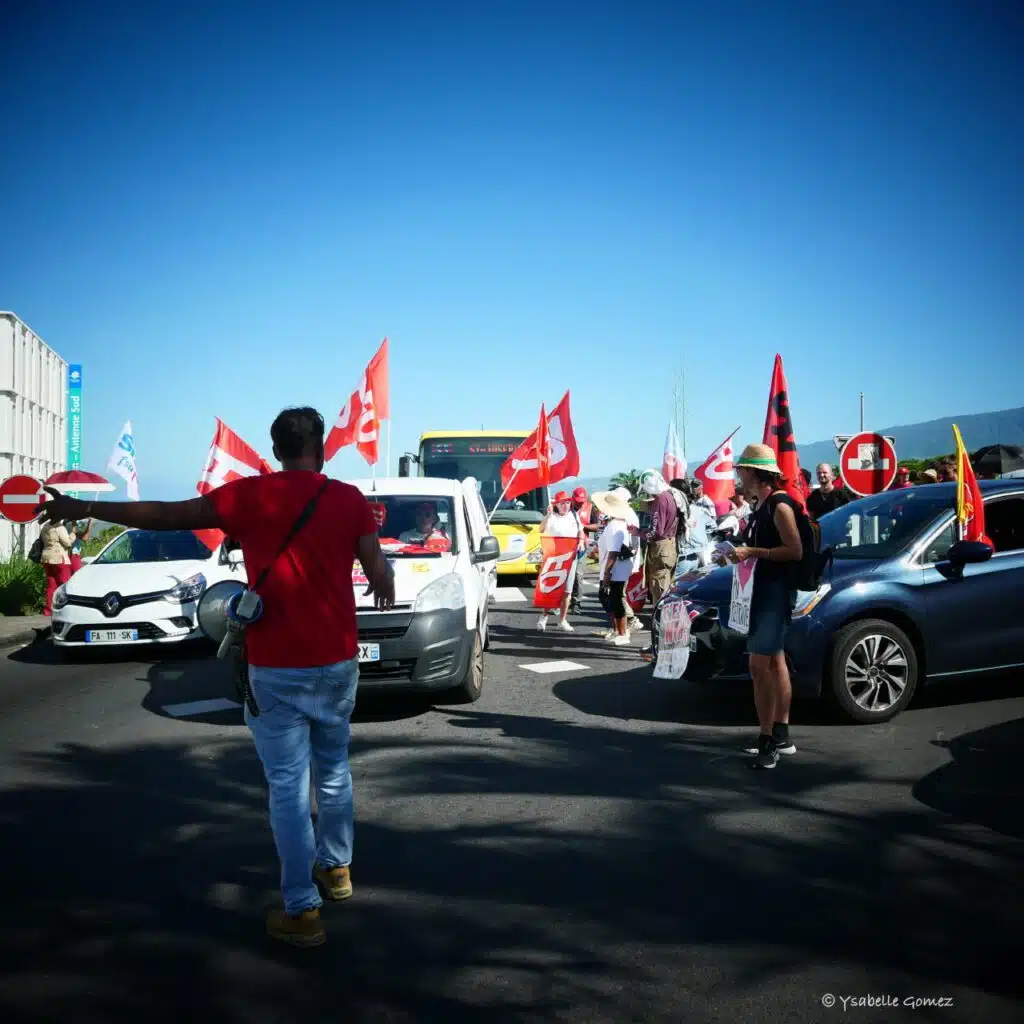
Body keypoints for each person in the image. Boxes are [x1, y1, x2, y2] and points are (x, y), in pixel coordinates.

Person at [35, 407, 395, 948]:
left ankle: (301, 910)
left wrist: (83, 505)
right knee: (335, 770)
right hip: (337, 660)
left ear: (276, 451)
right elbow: (376, 570)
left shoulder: (250, 496)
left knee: (289, 792)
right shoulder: (347, 499)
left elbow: (164, 515)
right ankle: (336, 870)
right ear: (321, 447)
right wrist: (381, 580)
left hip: (275, 667)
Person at [724, 444, 804, 770]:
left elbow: (794, 550)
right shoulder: (763, 505)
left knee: (759, 667)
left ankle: (767, 741)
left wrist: (753, 552)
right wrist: (739, 552)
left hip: (773, 594)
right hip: (766, 592)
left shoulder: (779, 505)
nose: (737, 474)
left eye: (741, 469)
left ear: (755, 472)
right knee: (774, 661)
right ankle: (781, 735)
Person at [592, 489, 637, 647]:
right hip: (615, 567)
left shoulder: (615, 526)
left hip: (615, 568)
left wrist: (606, 573)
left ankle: (623, 633)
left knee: (616, 600)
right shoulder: (617, 524)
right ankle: (618, 631)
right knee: (612, 599)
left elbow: (613, 552)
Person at [536, 491, 585, 633]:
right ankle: (543, 617)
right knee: (551, 588)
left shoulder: (574, 515)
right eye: (562, 503)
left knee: (567, 590)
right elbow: (541, 529)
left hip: (571, 556)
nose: (565, 505)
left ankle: (562, 620)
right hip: (554, 556)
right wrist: (548, 515)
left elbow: (580, 531)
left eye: (568, 502)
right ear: (556, 504)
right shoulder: (551, 517)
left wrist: (581, 541)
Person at [638, 470, 679, 612]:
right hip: (671, 545)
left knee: (660, 589)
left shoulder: (660, 499)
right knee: (668, 586)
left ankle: (660, 622)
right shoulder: (671, 496)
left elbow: (657, 531)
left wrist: (639, 532)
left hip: (661, 548)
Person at [569, 486, 597, 613]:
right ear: (573, 498)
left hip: (581, 546)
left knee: (578, 574)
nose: (580, 504)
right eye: (578, 501)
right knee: (565, 574)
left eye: (582, 501)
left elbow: (597, 525)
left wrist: (584, 526)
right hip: (565, 545)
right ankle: (560, 601)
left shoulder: (590, 508)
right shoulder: (564, 506)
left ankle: (576, 602)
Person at [39, 519, 74, 615]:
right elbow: (68, 543)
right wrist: (73, 534)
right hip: (58, 556)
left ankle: (48, 610)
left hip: (46, 556)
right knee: (65, 584)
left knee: (51, 584)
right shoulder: (59, 527)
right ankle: (67, 609)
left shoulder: (45, 526)